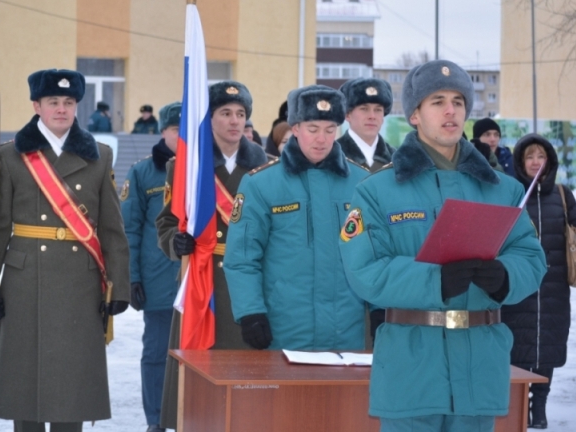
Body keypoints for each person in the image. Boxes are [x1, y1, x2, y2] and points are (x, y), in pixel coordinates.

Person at [339, 60, 547, 432]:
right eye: (437, 101)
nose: (450, 110)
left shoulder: (503, 189)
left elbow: (531, 257)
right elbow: (364, 272)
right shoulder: (376, 191)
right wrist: (436, 281)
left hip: (480, 368)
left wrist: (504, 276)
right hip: (411, 367)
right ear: (415, 114)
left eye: (457, 101)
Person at [0, 69, 130, 432]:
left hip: (81, 282)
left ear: (77, 106)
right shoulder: (11, 155)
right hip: (24, 282)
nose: (62, 109)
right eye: (53, 102)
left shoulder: (100, 156)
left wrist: (119, 286)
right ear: (37, 106)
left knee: (72, 389)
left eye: (69, 102)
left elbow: (111, 230)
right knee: (24, 385)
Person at [155, 80, 267, 429]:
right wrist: (176, 241)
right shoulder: (187, 167)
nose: (234, 121)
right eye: (225, 113)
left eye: (241, 114)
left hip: (250, 284)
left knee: (248, 384)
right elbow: (166, 222)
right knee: (200, 382)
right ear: (210, 118)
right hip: (203, 281)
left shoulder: (268, 168)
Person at [223, 85, 370, 351]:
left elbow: (374, 251)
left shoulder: (362, 183)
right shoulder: (261, 184)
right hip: (285, 328)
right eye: (313, 129)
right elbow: (242, 257)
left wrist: (381, 308)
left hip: (348, 330)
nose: (322, 139)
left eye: (329, 130)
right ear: (296, 128)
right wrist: (250, 312)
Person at [501, 133, 576, 429]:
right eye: (529, 157)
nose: (535, 162)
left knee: (548, 344)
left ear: (549, 162)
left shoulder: (562, 194)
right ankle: (517, 403)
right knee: (517, 343)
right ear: (520, 162)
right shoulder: (510, 192)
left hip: (554, 285)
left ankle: (540, 405)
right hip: (518, 283)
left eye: (540, 157)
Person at [120, 102, 182, 432]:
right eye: (176, 131)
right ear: (162, 132)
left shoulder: (208, 169)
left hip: (201, 283)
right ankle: (156, 420)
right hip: (159, 279)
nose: (183, 137)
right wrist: (131, 277)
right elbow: (128, 227)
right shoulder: (144, 172)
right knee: (157, 352)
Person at [337, 77, 396, 172]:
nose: (372, 116)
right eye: (364, 109)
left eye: (378, 110)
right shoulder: (331, 156)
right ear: (347, 115)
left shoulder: (398, 159)